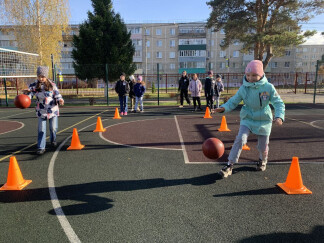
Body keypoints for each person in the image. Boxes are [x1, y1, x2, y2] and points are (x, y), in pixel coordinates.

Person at [215, 60, 285, 178]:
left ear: (261, 74)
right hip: (248, 118)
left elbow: (278, 103)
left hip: (264, 119)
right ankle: (229, 165)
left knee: (263, 147)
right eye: (248, 75)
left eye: (254, 75)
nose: (250, 78)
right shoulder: (244, 88)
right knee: (240, 139)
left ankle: (262, 160)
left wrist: (279, 116)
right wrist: (223, 107)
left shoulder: (268, 87)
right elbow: (234, 100)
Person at [24, 66, 64, 155]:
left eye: (43, 76)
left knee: (53, 128)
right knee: (41, 129)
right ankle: (41, 147)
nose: (41, 78)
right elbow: (29, 95)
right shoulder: (34, 85)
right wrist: (26, 95)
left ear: (46, 76)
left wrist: (60, 100)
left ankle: (53, 140)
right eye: (39, 76)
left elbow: (57, 95)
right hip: (41, 111)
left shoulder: (52, 85)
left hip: (52, 110)